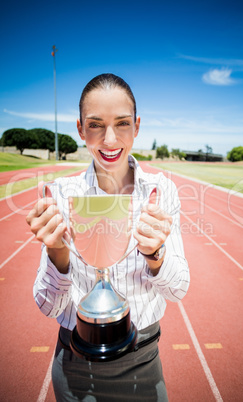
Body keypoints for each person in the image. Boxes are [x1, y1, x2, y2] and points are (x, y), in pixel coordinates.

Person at [26, 73, 190, 401]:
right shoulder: (61, 195)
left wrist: (156, 253)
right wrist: (57, 253)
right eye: (96, 124)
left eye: (122, 123)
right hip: (76, 369)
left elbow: (177, 290)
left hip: (144, 362)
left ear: (138, 126)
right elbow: (49, 305)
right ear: (80, 129)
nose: (110, 139)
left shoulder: (160, 191)